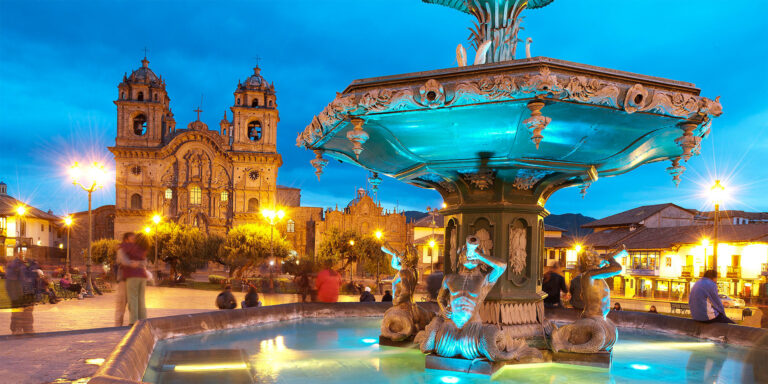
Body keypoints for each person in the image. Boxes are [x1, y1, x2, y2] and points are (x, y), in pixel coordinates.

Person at [6, 247, 36, 334]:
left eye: (26, 251)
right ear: (16, 253)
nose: (24, 253)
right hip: (17, 292)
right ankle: (16, 329)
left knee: (28, 311)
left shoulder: (30, 264)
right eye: (21, 251)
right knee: (17, 312)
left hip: (28, 291)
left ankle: (28, 328)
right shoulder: (13, 264)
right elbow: (10, 280)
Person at [121, 233, 149, 324]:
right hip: (142, 276)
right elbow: (145, 262)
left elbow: (123, 260)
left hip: (132, 275)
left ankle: (133, 321)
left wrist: (131, 263)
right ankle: (143, 320)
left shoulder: (125, 247)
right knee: (141, 299)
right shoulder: (142, 248)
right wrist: (138, 263)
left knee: (133, 298)